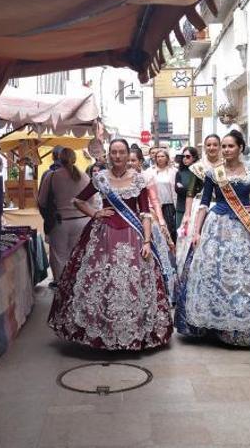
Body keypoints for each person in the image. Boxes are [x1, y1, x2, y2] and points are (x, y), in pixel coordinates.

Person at [48, 139, 173, 351]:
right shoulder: (100, 178)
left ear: (127, 154)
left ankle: (134, 333)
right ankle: (102, 332)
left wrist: (147, 240)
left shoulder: (138, 180)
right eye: (113, 152)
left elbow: (144, 213)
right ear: (108, 154)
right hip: (103, 235)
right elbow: (78, 200)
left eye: (121, 152)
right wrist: (95, 213)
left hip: (133, 235)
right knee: (100, 281)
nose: (117, 156)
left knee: (132, 284)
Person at [174, 131, 250, 347]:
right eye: (223, 146)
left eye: (230, 146)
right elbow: (205, 203)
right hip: (218, 226)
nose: (225, 150)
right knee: (217, 273)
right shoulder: (212, 173)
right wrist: (197, 231)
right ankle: (217, 325)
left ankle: (247, 323)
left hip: (245, 226)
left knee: (247, 274)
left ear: (240, 148)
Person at [175, 134, 223, 287]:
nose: (212, 148)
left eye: (215, 144)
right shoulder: (198, 167)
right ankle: (196, 280)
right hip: (200, 207)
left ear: (220, 146)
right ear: (204, 147)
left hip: (221, 207)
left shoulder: (226, 165)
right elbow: (190, 192)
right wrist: (187, 215)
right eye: (208, 145)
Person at [129, 148, 177, 297]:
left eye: (133, 160)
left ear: (140, 162)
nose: (130, 163)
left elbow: (155, 201)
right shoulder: (120, 177)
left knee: (155, 255)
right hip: (128, 219)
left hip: (149, 218)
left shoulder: (147, 176)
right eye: (128, 160)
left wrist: (162, 222)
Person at [37, 148, 90, 283]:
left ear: (59, 159)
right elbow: (92, 201)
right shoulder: (84, 176)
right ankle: (76, 286)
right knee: (78, 256)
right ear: (75, 158)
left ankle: (61, 289)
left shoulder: (52, 176)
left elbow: (42, 201)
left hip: (60, 223)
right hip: (82, 221)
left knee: (59, 258)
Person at [150, 149, 179, 242]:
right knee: (157, 228)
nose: (160, 158)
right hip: (155, 205)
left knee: (169, 229)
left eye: (162, 156)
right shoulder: (150, 171)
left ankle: (171, 249)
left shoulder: (174, 171)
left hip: (169, 204)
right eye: (158, 157)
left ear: (167, 158)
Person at [174, 146, 199, 228]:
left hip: (196, 208)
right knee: (181, 234)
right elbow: (178, 190)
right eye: (183, 156)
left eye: (188, 157)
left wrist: (186, 189)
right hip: (181, 208)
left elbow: (198, 191)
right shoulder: (180, 173)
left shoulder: (198, 172)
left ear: (194, 158)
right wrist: (191, 190)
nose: (185, 159)